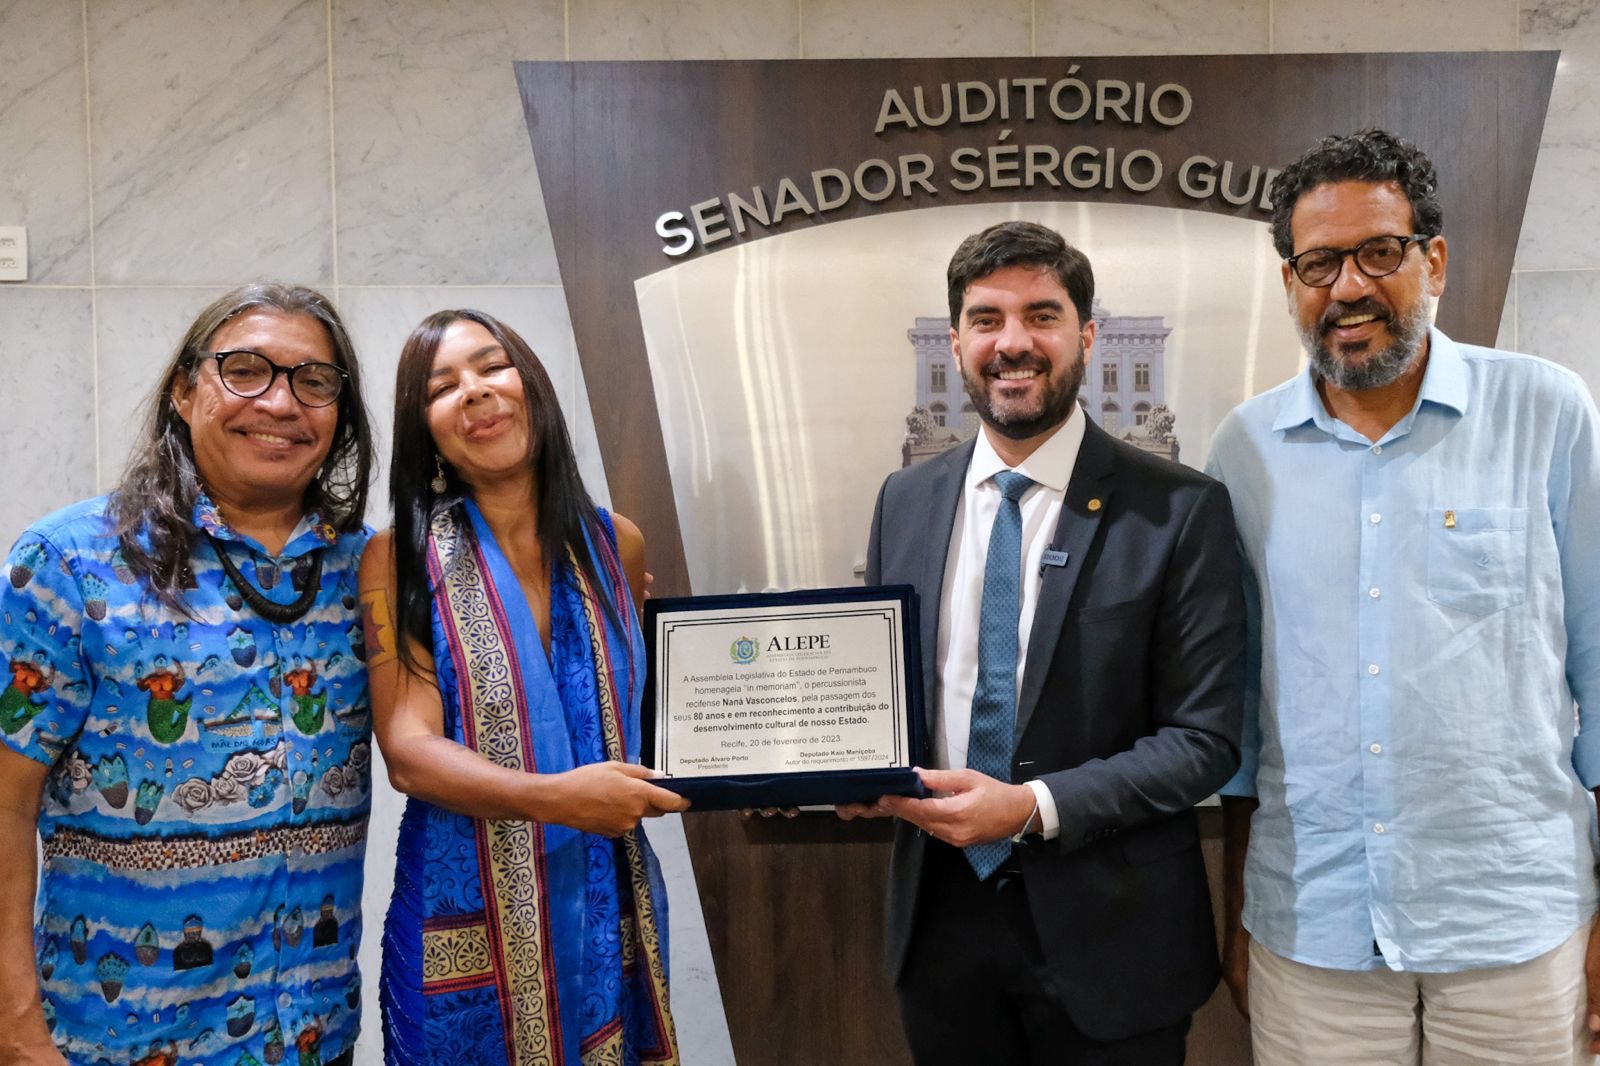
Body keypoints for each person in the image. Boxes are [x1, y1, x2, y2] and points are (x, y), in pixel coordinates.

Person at [1207, 128, 1600, 1063]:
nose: (1347, 287)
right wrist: (1238, 911)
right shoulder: (1243, 450)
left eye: (1378, 253)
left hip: (1516, 917)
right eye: (1318, 263)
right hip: (1313, 925)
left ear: (1435, 261)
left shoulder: (1546, 414)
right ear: (1291, 284)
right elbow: (1236, 719)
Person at [840, 221, 1245, 1064]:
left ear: (1086, 336)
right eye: (986, 319)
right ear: (956, 342)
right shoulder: (904, 500)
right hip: (941, 929)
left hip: (1114, 939)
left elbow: (1202, 742)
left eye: (1042, 315)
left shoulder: (1179, 509)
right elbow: (884, 698)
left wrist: (1031, 807)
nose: (1012, 343)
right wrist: (841, 767)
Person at [0, 284, 374, 1064]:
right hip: (115, 1043)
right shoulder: (72, 563)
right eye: (246, 371)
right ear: (183, 388)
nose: (280, 402)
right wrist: (13, 1026)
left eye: (314, 381)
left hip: (312, 1038)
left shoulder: (366, 570)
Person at [360, 309, 688, 1065]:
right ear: (426, 429)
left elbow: (649, 717)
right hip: (463, 923)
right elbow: (409, 751)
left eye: (492, 366)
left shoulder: (617, 544)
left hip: (609, 912)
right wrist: (560, 799)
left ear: (531, 384)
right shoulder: (396, 558)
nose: (475, 392)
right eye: (443, 386)